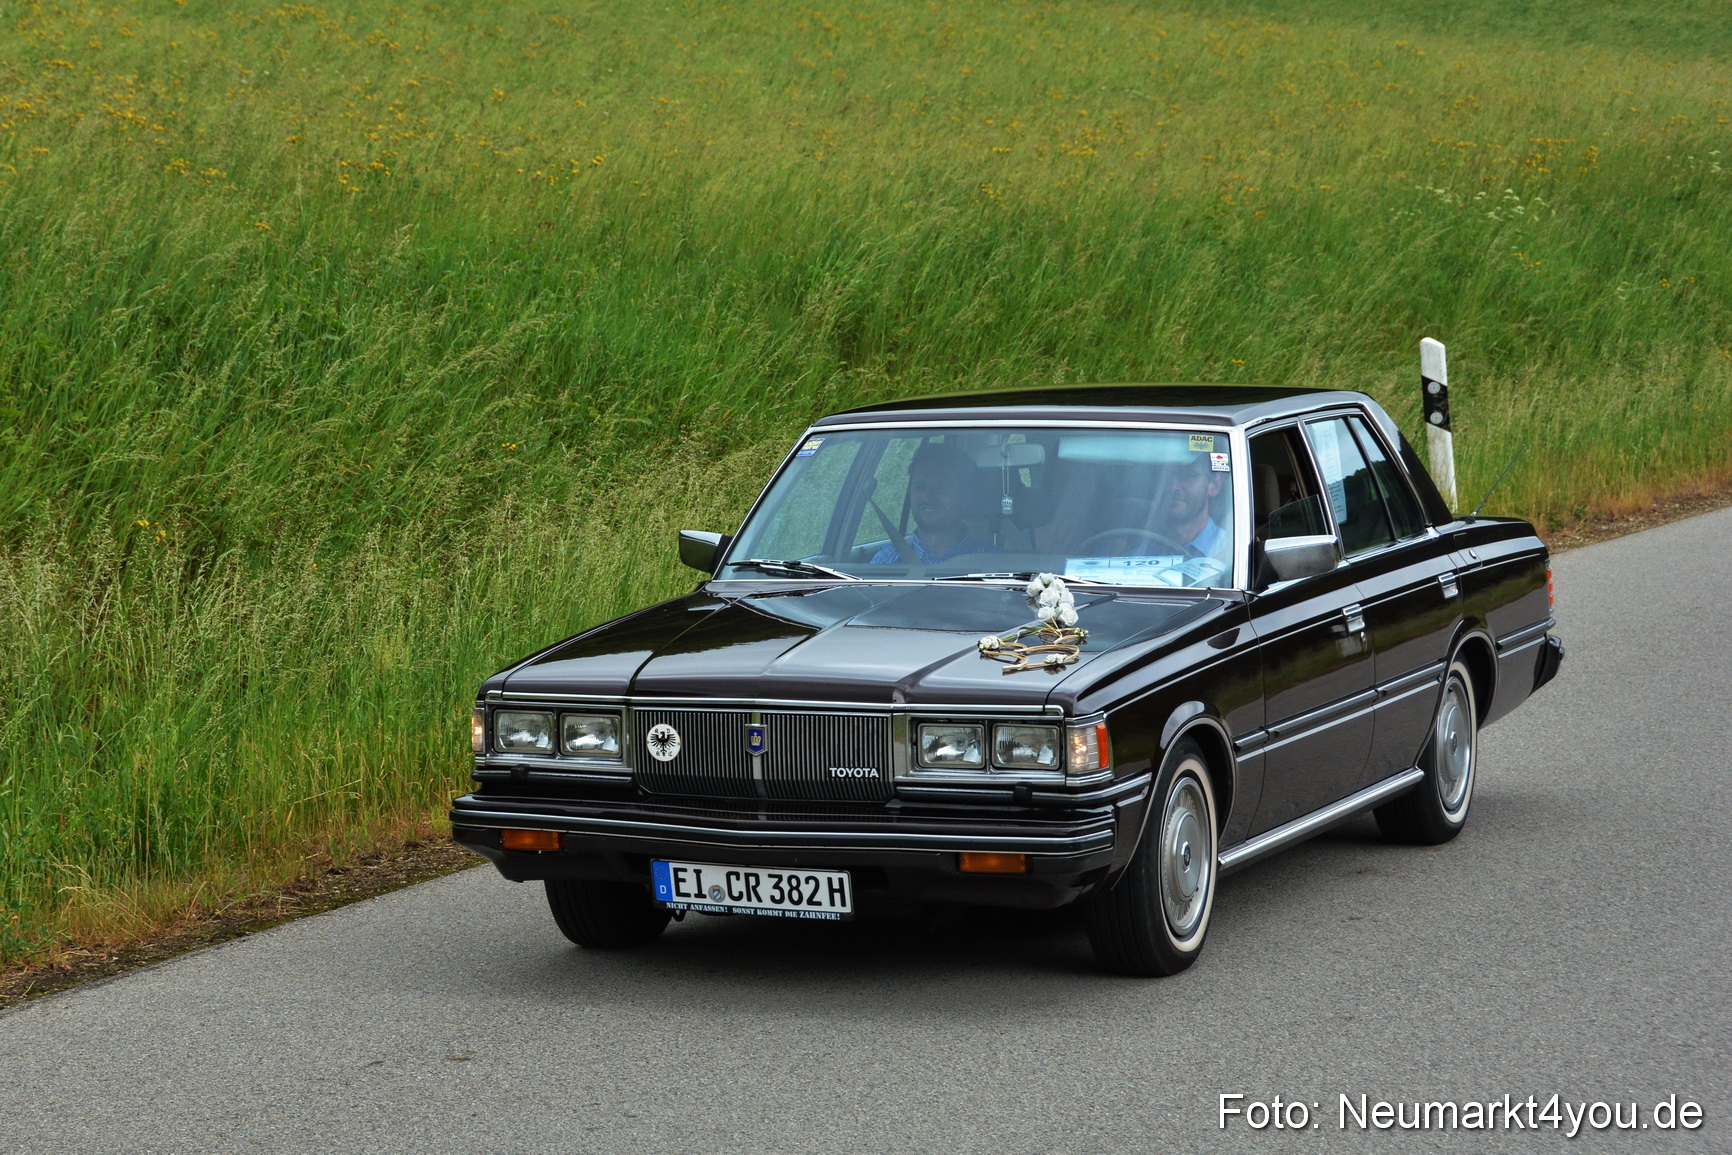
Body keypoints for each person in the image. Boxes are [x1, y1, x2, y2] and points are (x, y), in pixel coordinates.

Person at [870, 443, 1002, 564]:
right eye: (920, 486)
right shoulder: (886, 561)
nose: (928, 496)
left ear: (965, 496)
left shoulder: (996, 562)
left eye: (942, 487)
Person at [1158, 451, 1232, 565]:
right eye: (1168, 476)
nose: (1174, 486)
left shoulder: (1234, 553)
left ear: (1215, 484)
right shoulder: (1141, 553)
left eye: (1189, 476)